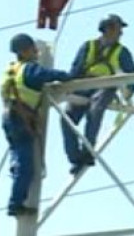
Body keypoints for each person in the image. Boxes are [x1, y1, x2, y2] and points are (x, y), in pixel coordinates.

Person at [2, 34, 71, 216]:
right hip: (21, 119)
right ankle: (15, 204)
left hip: (10, 118)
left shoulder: (11, 70)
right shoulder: (30, 69)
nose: (37, 52)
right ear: (25, 51)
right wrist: (68, 76)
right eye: (33, 49)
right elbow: (46, 75)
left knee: (20, 159)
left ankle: (16, 187)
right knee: (26, 166)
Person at [62, 14, 134, 174]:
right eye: (118, 29)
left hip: (105, 86)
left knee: (95, 111)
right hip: (84, 84)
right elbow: (76, 68)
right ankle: (76, 157)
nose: (121, 33)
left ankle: (87, 151)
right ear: (108, 28)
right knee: (66, 118)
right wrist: (68, 86)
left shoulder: (121, 51)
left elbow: (133, 74)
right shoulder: (88, 46)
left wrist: (129, 91)